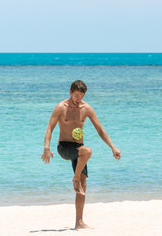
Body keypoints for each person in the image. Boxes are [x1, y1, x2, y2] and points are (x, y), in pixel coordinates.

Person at [41, 80, 121, 229]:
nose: (78, 99)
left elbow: (100, 130)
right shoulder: (60, 107)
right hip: (64, 147)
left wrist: (113, 147)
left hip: (79, 148)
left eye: (81, 96)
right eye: (76, 95)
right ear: (70, 92)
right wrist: (47, 148)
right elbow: (49, 128)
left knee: (83, 184)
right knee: (87, 151)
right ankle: (75, 179)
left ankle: (79, 222)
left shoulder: (86, 108)